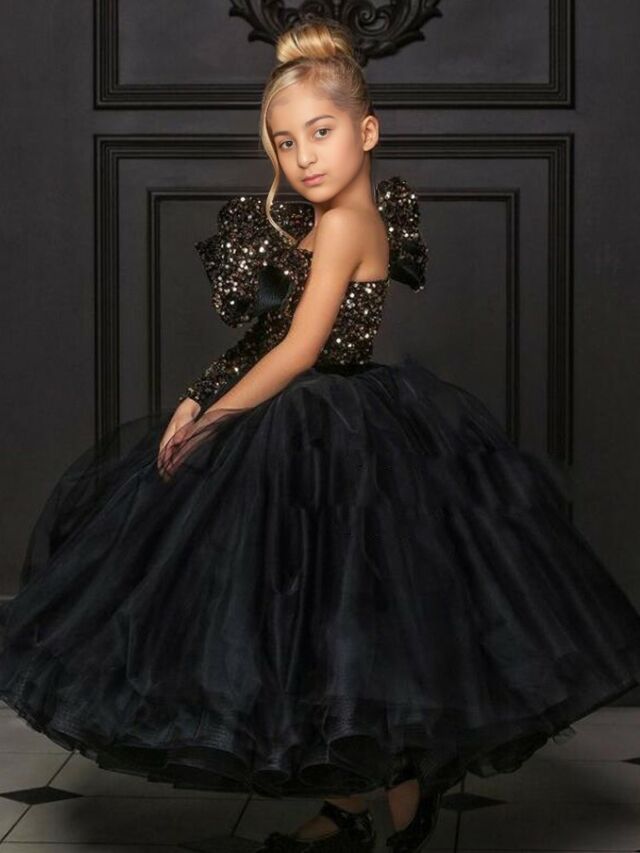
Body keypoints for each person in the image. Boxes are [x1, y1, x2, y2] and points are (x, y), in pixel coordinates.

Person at [1, 17, 640, 853]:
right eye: (285, 141)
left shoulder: (343, 225)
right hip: (310, 422)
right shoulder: (318, 220)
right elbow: (266, 337)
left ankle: (389, 800)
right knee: (329, 635)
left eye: (321, 131)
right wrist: (196, 397)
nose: (303, 156)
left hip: (334, 431)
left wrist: (219, 420)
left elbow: (302, 349)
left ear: (367, 132)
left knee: (334, 628)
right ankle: (362, 803)